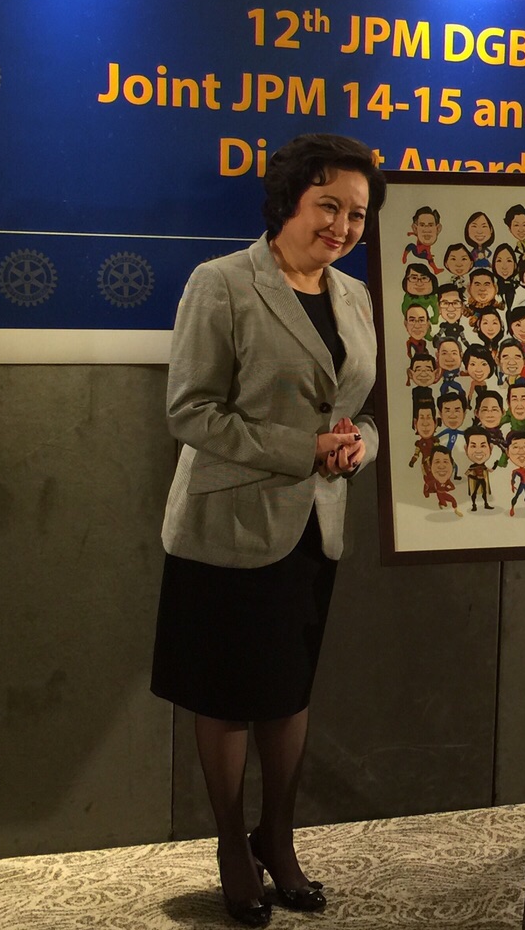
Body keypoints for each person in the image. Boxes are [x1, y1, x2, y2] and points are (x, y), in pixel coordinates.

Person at [151, 133, 385, 927]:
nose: (343, 225)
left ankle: (276, 838)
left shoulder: (355, 295)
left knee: (287, 695)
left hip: (315, 528)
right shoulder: (221, 284)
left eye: (357, 213)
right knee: (225, 699)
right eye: (329, 205)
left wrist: (359, 447)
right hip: (226, 529)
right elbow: (189, 412)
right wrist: (302, 449)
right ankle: (230, 846)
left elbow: (363, 410)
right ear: (288, 199)